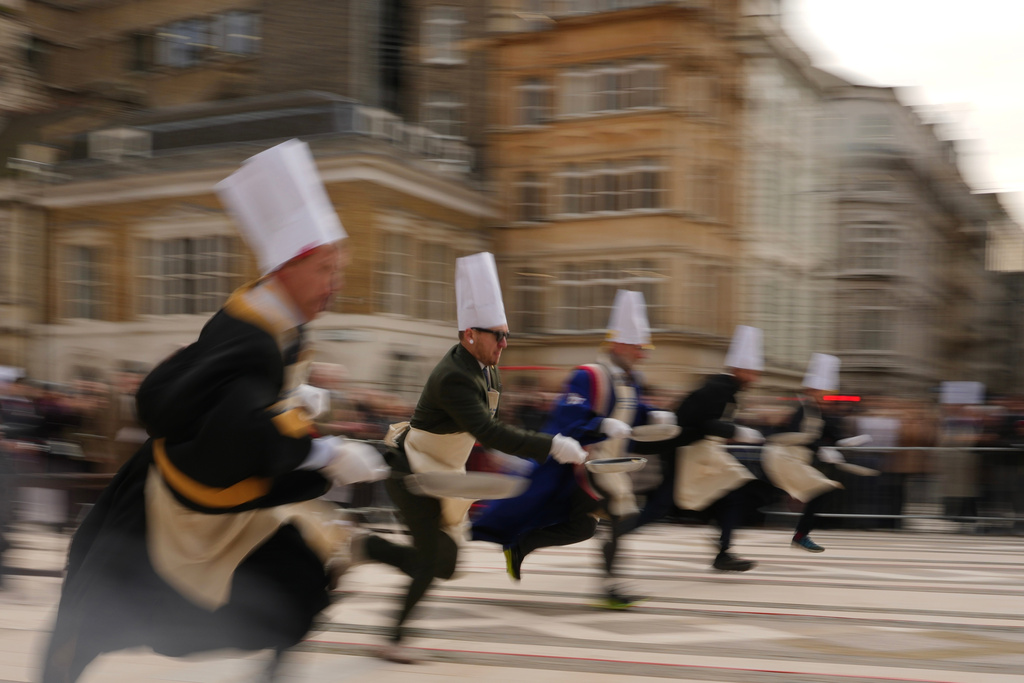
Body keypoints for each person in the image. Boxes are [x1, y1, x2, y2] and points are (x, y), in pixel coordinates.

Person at [41, 139, 389, 683]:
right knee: (123, 614)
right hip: (176, 509)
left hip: (175, 492)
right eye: (326, 267)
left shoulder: (266, 319)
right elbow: (236, 430)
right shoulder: (256, 338)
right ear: (292, 265)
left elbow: (236, 403)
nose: (336, 283)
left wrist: (293, 404)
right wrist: (324, 449)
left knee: (295, 577)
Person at [361, 252, 588, 664]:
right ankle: (392, 639)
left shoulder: (487, 368)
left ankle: (366, 548)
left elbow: (488, 430)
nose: (505, 344)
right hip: (409, 470)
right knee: (431, 560)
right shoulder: (454, 376)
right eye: (497, 335)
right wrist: (551, 445)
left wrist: (517, 461)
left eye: (507, 335)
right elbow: (487, 431)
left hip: (443, 472)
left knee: (446, 564)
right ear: (469, 334)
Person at [471, 289, 674, 609]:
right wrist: (601, 426)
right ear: (619, 344)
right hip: (586, 463)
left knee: (583, 527)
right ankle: (610, 588)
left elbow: (630, 411)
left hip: (613, 463)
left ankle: (521, 544)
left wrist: (653, 414)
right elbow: (568, 420)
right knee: (622, 514)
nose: (642, 354)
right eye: (638, 347)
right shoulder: (588, 374)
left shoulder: (630, 380)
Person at [627, 325, 767, 572]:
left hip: (700, 454)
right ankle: (619, 532)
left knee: (731, 493)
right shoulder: (719, 389)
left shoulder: (724, 389)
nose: (755, 377)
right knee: (661, 505)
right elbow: (703, 423)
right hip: (689, 454)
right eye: (753, 372)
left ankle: (724, 551)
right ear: (741, 370)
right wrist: (735, 431)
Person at [761, 354, 872, 552]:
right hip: (783, 460)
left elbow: (829, 433)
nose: (827, 398)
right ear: (812, 391)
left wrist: (843, 442)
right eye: (823, 393)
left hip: (796, 461)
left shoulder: (821, 412)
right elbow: (800, 436)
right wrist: (821, 448)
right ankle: (800, 535)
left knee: (820, 489)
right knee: (820, 488)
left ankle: (800, 535)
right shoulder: (802, 410)